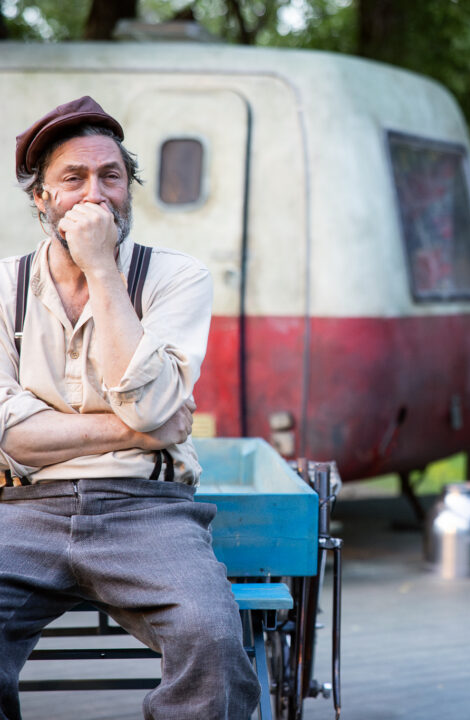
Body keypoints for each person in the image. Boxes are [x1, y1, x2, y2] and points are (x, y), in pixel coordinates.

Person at [0, 96, 260, 719]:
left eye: (110, 176)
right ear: (42, 199)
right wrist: (137, 431)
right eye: (73, 178)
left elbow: (152, 401)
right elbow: (11, 435)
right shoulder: (2, 287)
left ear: (129, 188)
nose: (95, 194)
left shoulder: (176, 278)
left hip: (146, 510)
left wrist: (101, 269)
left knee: (213, 639)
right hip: (22, 509)